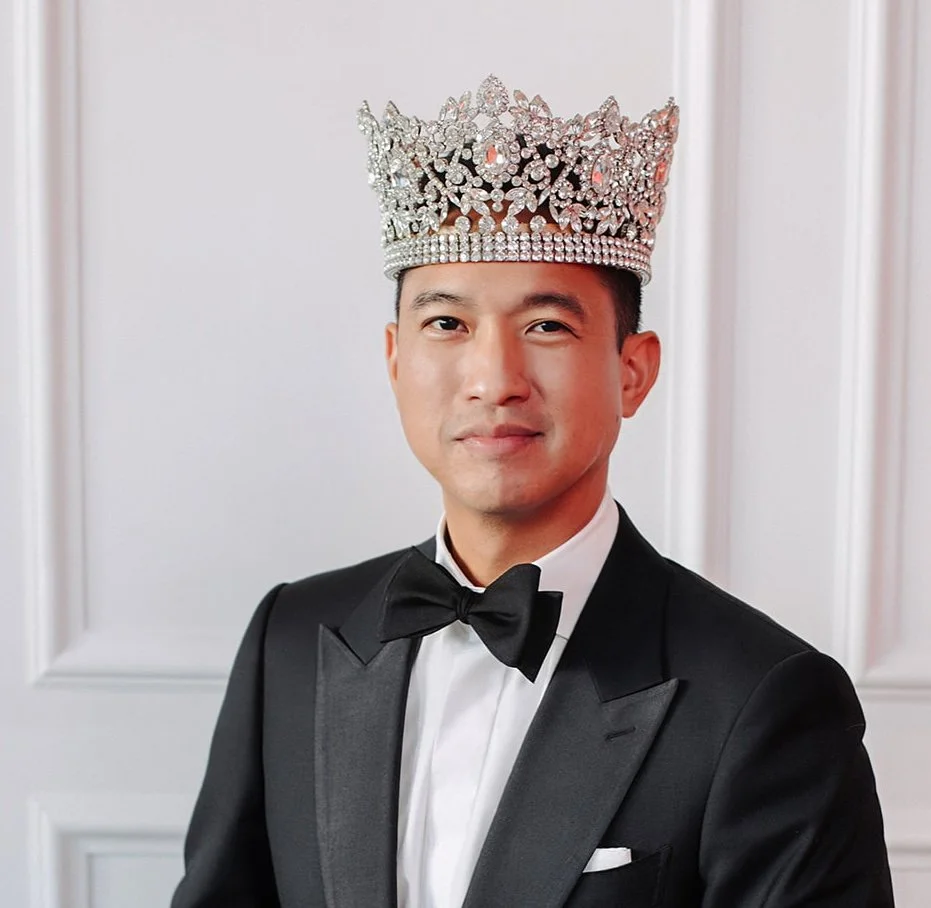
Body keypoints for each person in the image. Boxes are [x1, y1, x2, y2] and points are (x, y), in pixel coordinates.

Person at [171, 75, 894, 907]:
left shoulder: (762, 696)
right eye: (447, 324)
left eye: (545, 326)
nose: (493, 379)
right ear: (395, 359)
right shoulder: (294, 637)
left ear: (632, 370)